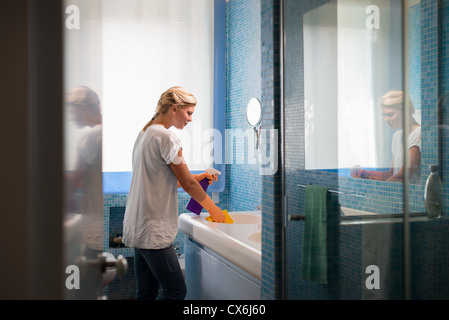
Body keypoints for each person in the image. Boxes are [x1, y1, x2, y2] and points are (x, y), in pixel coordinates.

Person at [122, 86, 226, 300]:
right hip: (153, 230)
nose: (190, 120)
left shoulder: (145, 133)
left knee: (147, 291)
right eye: (188, 113)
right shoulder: (167, 137)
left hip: (138, 225)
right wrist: (214, 209)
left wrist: (198, 178)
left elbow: (162, 180)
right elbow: (187, 185)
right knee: (175, 290)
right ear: (174, 108)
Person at [352, 89, 421, 182]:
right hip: (399, 194)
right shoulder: (397, 136)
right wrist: (366, 174)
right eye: (384, 115)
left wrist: (379, 188)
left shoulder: (418, 134)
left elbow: (403, 176)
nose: (386, 119)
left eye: (390, 114)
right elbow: (392, 173)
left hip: (413, 195)